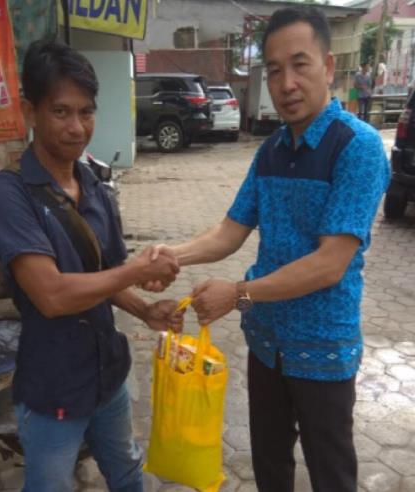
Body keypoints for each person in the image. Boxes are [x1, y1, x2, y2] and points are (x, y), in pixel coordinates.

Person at [146, 6, 389, 492]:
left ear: (328, 67)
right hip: (266, 344)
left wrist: (237, 293)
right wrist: (172, 253)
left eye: (300, 65)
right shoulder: (271, 150)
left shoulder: (356, 147)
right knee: (270, 465)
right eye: (274, 70)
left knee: (331, 474)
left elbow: (329, 264)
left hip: (323, 350)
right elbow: (231, 230)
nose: (286, 83)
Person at [0, 40, 182, 492]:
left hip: (108, 376)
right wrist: (135, 272)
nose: (77, 127)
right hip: (53, 388)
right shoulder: (8, 194)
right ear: (30, 111)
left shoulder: (93, 185)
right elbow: (51, 296)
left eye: (86, 112)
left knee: (128, 473)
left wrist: (144, 310)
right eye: (61, 112)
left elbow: (103, 276)